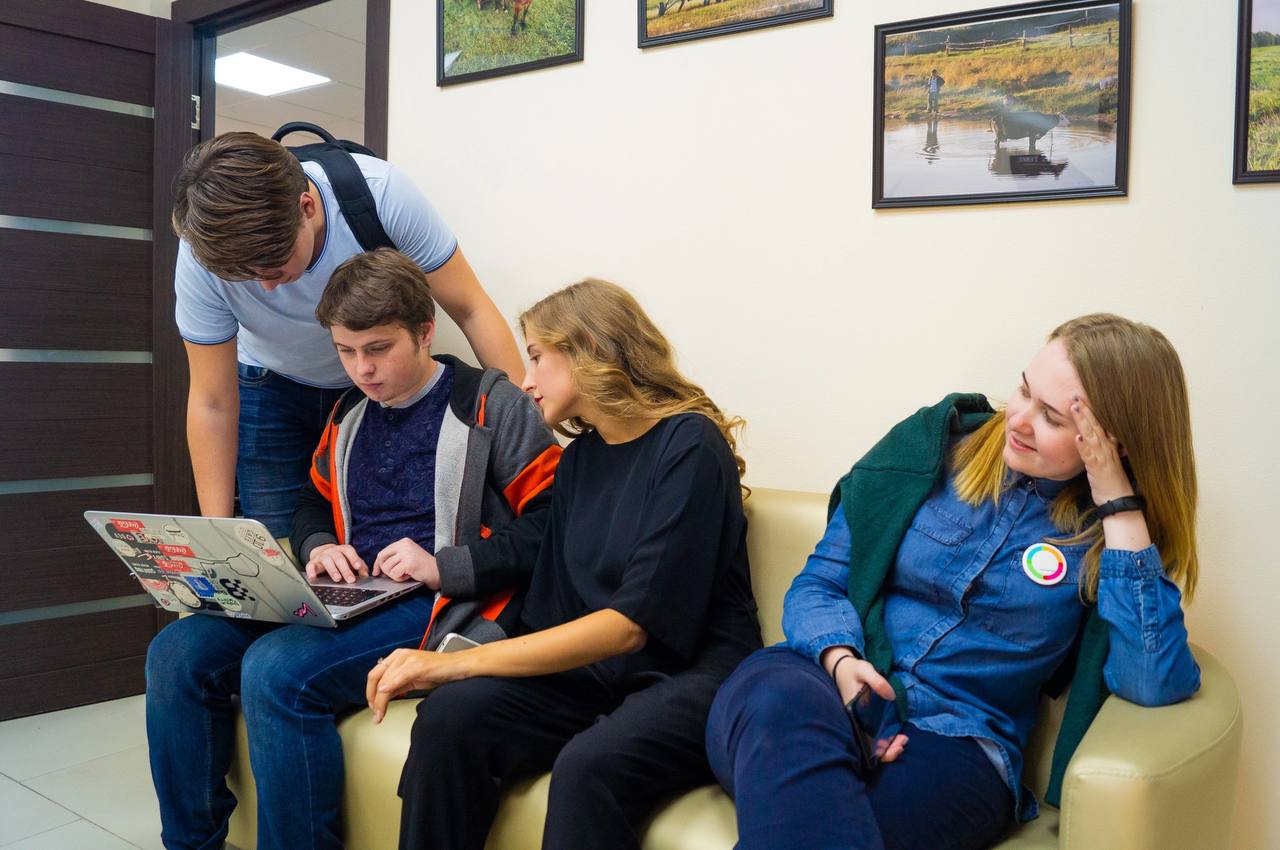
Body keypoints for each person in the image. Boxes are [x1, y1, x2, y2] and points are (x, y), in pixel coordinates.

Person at [705, 313, 1201, 850]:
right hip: (818, 685)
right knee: (777, 705)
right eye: (1024, 391)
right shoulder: (928, 451)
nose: (1020, 419)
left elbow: (1152, 678)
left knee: (827, 820)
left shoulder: (1114, 543)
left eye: (1054, 418)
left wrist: (1117, 501)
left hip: (957, 742)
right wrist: (843, 663)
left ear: (1116, 442)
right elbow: (819, 584)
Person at [145, 249, 559, 850]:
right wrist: (319, 546)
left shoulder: (490, 405)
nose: (361, 369)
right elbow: (312, 502)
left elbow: (552, 524)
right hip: (348, 589)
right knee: (177, 649)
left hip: (439, 602)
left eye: (377, 349)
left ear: (424, 332)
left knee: (277, 671)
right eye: (345, 351)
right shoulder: (348, 413)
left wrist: (443, 565)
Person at [365, 279, 764, 850]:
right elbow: (549, 609)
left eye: (535, 358)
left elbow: (629, 626)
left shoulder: (690, 446)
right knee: (450, 720)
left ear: (591, 350)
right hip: (597, 673)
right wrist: (461, 660)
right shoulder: (580, 461)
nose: (524, 381)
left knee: (587, 767)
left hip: (691, 673)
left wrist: (453, 666)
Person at [172, 131, 526, 538]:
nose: (267, 290)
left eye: (274, 269)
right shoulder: (203, 256)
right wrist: (216, 535)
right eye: (246, 278)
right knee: (281, 547)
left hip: (372, 391)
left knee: (385, 539)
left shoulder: (382, 194)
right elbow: (212, 400)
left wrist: (522, 426)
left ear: (306, 206)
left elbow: (471, 309)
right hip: (268, 389)